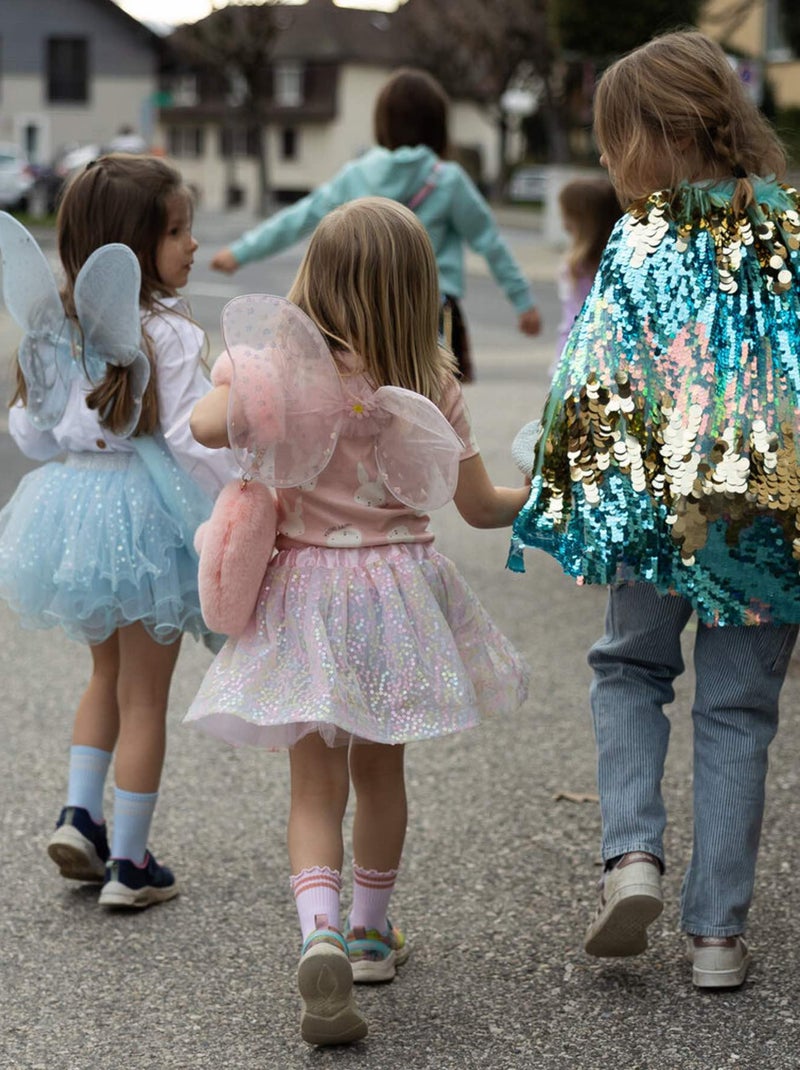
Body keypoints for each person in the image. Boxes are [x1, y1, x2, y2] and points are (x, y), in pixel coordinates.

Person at [187, 196, 530, 1045]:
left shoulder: (282, 381)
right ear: (419, 292)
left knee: (313, 782)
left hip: (305, 594)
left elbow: (200, 425)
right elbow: (483, 508)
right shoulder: (434, 385)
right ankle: (374, 934)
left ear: (315, 282)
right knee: (382, 775)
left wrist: (245, 378)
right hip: (396, 600)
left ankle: (321, 934)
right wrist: (556, 490)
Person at [508, 30, 800, 989]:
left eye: (612, 142)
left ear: (662, 135)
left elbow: (589, 379)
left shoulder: (642, 237)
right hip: (768, 516)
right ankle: (717, 938)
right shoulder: (790, 227)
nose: (605, 163)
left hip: (659, 513)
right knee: (738, 713)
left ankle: (631, 858)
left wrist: (559, 480)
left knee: (629, 670)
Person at [0, 154, 236, 909]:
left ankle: (80, 814)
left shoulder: (52, 329)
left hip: (72, 515)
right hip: (148, 520)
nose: (192, 245)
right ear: (128, 248)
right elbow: (197, 441)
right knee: (145, 698)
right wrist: (241, 500)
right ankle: (129, 865)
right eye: (176, 232)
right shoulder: (164, 331)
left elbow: (32, 437)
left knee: (104, 676)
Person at [209, 67, 541, 383]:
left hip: (364, 307)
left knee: (368, 395)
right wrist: (522, 302)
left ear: (382, 123)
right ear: (439, 126)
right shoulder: (448, 180)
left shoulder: (358, 175)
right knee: (438, 400)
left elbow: (298, 218)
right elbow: (490, 242)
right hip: (430, 307)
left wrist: (240, 252)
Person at [555, 177, 620, 356]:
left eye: (566, 214)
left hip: (580, 359)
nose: (563, 222)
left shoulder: (578, 268)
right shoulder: (618, 262)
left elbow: (574, 322)